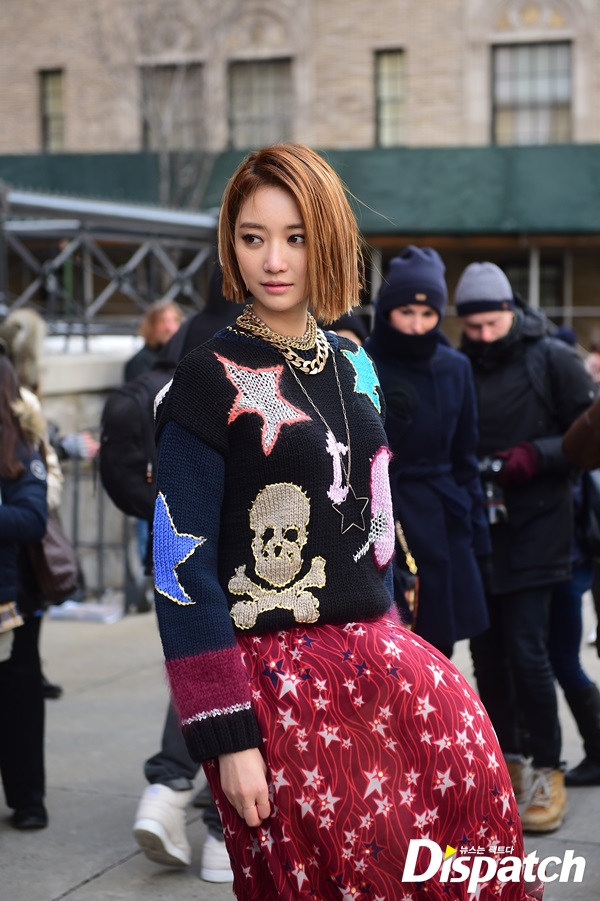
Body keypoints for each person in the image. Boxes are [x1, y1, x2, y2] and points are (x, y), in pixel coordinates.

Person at [151, 143, 543, 899]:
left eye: (295, 237)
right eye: (252, 236)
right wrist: (227, 737)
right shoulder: (204, 378)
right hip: (278, 691)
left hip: (385, 667)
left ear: (327, 239)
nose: (273, 260)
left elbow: (375, 526)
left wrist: (397, 632)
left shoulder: (355, 366)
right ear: (230, 243)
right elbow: (179, 572)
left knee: (471, 857)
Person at [455, 261, 596, 832]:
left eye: (492, 323)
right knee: (487, 655)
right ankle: (505, 759)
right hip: (481, 530)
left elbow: (587, 439)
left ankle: (545, 769)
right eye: (473, 327)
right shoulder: (461, 363)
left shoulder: (552, 359)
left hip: (540, 528)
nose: (484, 335)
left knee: (529, 653)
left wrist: (536, 454)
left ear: (510, 312)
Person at [132, 263, 238, 884]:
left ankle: (169, 787)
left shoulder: (194, 332)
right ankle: (221, 830)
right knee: (234, 673)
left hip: (195, 527)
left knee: (202, 661)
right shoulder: (253, 343)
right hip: (243, 538)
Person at [365, 246, 491, 658]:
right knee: (390, 651)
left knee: (440, 648)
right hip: (387, 516)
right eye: (406, 312)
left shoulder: (455, 367)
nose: (417, 325)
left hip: (444, 518)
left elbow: (466, 457)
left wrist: (477, 537)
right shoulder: (363, 360)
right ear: (387, 310)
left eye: (428, 313)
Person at [0, 352, 48, 829]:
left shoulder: (19, 446)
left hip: (14, 599)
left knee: (18, 700)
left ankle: (28, 799)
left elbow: (33, 519)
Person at [124, 299, 184, 383]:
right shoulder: (139, 362)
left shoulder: (182, 357)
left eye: (173, 321)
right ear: (151, 326)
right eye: (162, 321)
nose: (168, 327)